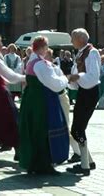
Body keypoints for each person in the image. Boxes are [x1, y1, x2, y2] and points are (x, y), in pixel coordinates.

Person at [19, 36, 69, 174]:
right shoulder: (40, 64)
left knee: (34, 131)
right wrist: (65, 79)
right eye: (46, 47)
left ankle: (34, 164)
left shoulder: (32, 61)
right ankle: (43, 164)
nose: (47, 50)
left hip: (32, 100)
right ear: (42, 48)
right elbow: (54, 84)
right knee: (42, 132)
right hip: (41, 102)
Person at [66, 28, 99, 176]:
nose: (71, 41)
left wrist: (77, 77)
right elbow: (76, 77)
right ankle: (88, 161)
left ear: (80, 39)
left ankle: (85, 165)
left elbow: (93, 76)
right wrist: (71, 79)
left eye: (73, 38)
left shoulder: (92, 52)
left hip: (90, 92)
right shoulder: (80, 53)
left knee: (77, 129)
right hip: (84, 92)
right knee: (78, 128)